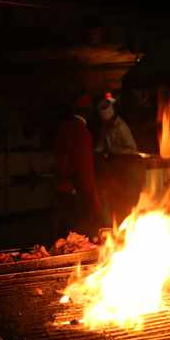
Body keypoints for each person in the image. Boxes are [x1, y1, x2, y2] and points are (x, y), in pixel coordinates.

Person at [53, 93, 102, 237]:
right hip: (75, 194)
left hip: (60, 190)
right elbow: (84, 171)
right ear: (87, 112)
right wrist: (93, 203)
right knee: (78, 237)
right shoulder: (82, 132)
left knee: (62, 237)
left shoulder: (62, 128)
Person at [94, 94, 144, 221]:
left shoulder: (122, 127)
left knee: (126, 200)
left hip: (126, 169)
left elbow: (132, 150)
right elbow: (100, 145)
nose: (106, 123)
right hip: (113, 169)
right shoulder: (105, 128)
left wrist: (115, 152)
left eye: (108, 121)